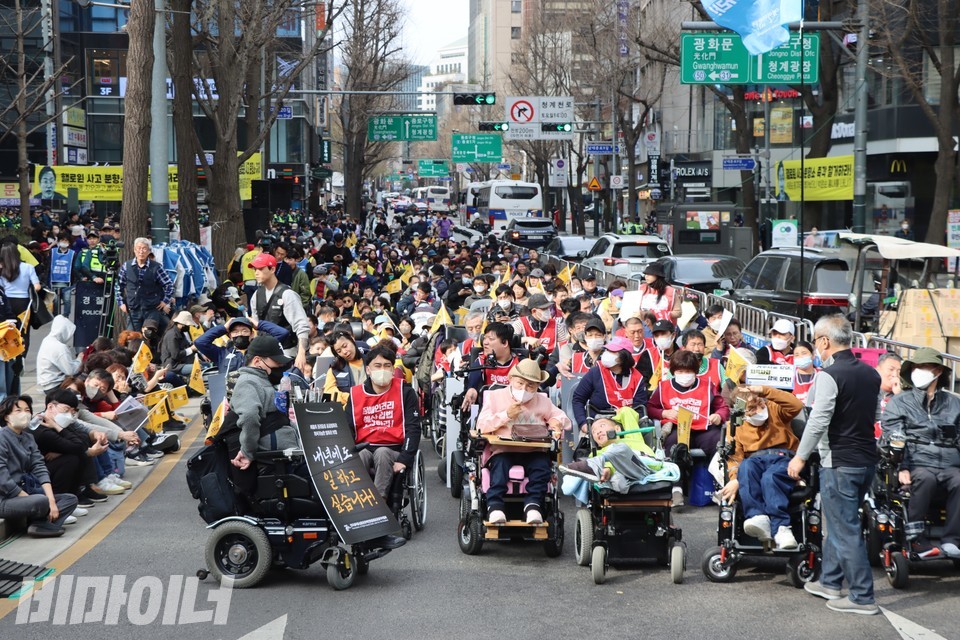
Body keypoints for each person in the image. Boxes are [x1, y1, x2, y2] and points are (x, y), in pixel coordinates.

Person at [788, 314, 880, 615]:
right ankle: (829, 581)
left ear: (825, 341)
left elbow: (817, 421)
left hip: (839, 460)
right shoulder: (871, 374)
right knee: (841, 524)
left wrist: (800, 456)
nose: (816, 347)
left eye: (816, 341)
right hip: (866, 459)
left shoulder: (828, 375)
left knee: (845, 530)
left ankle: (862, 597)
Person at [880, 348, 960, 559]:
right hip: (917, 462)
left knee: (959, 480)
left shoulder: (954, 403)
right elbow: (893, 436)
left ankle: (953, 540)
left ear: (938, 372)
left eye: (925, 367)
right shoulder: (900, 402)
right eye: (916, 367)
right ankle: (916, 538)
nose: (919, 371)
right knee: (925, 478)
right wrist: (902, 466)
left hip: (950, 464)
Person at [476, 360, 570, 524]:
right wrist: (506, 415)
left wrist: (556, 422)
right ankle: (495, 507)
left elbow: (563, 418)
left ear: (537, 386)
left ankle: (533, 506)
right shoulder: (495, 397)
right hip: (504, 449)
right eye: (520, 383)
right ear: (511, 378)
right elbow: (481, 425)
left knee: (542, 467)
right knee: (499, 467)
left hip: (533, 450)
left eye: (531, 386)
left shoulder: (543, 401)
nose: (524, 390)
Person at [720, 385, 804, 550]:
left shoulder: (774, 409)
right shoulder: (736, 423)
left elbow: (797, 405)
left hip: (782, 456)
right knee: (746, 467)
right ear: (742, 411)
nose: (757, 410)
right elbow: (734, 457)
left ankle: (781, 527)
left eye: (758, 403)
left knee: (770, 477)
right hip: (754, 460)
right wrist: (735, 479)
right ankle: (758, 517)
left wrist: (765, 391)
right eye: (751, 408)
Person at [648, 349, 729, 506]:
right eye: (680, 371)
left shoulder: (707, 385)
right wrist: (664, 412)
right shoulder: (664, 386)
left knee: (718, 442)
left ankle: (720, 487)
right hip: (678, 429)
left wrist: (719, 415)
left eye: (688, 371)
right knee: (672, 444)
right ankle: (676, 489)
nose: (684, 375)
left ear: (695, 371)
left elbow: (723, 407)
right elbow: (650, 407)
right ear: (674, 372)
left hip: (702, 430)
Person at [346, 344, 421, 501]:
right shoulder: (355, 394)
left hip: (394, 450)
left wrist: (405, 459)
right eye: (377, 365)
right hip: (365, 447)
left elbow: (413, 428)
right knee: (362, 456)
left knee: (382, 453)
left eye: (387, 366)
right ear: (368, 369)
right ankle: (359, 501)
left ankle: (379, 501)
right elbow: (348, 428)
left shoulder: (405, 392)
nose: (383, 369)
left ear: (393, 370)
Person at [0, 396, 78, 537]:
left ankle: (38, 525)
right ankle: (43, 523)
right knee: (41, 501)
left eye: (27, 410)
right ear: (6, 416)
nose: (24, 414)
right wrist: (28, 498)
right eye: (18, 411)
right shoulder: (2, 438)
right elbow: (2, 478)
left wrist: (52, 501)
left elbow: (39, 466)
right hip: (5, 498)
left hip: (26, 492)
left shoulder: (28, 438)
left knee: (69, 499)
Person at [560, 414, 680, 493]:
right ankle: (595, 468)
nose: (598, 431)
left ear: (617, 429)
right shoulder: (598, 452)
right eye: (594, 431)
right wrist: (609, 470)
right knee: (617, 479)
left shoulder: (633, 437)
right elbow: (567, 491)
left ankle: (593, 467)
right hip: (622, 479)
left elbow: (627, 412)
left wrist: (614, 414)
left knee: (619, 448)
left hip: (642, 466)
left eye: (602, 426)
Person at [571, 337, 648, 435]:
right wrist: (583, 423)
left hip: (627, 426)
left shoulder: (637, 378)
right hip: (599, 422)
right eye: (607, 350)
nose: (606, 353)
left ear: (623, 357)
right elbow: (578, 399)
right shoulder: (596, 372)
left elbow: (640, 409)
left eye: (612, 351)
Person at [248, 252, 309, 372]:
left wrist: (301, 353)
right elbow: (256, 326)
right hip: (263, 356)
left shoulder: (287, 294)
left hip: (285, 352)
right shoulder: (256, 295)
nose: (256, 273)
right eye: (255, 269)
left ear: (272, 269)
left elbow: (301, 325)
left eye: (260, 269)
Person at [115, 238, 174, 333]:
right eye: (138, 248)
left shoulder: (156, 267)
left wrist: (165, 301)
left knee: (150, 335)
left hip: (151, 309)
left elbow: (169, 285)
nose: (141, 251)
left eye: (144, 248)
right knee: (132, 338)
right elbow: (118, 286)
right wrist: (121, 303)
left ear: (149, 251)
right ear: (134, 250)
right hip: (133, 309)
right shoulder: (127, 266)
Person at [460, 322, 521, 411]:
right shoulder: (481, 360)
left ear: (504, 343)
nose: (485, 342)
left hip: (516, 409)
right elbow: (473, 382)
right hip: (488, 410)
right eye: (484, 338)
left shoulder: (520, 363)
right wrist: (472, 389)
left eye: (491, 339)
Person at [36, 315, 83, 395]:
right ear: (64, 332)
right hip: (55, 385)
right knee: (81, 382)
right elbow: (71, 371)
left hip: (47, 383)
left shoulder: (47, 340)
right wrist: (79, 359)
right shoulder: (59, 347)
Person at [324, 330, 367, 405]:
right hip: (347, 410)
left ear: (352, 339)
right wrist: (349, 398)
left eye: (345, 346)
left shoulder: (372, 361)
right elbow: (328, 392)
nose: (344, 352)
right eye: (339, 351)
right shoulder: (334, 369)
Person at [160, 310, 201, 379]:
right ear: (182, 324)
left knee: (205, 366)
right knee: (198, 368)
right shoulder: (172, 335)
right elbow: (175, 355)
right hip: (173, 366)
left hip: (182, 362)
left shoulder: (180, 333)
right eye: (187, 325)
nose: (189, 327)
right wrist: (191, 349)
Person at [874, 352, 902, 437]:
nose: (895, 375)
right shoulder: (868, 390)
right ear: (878, 369)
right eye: (891, 369)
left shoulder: (904, 395)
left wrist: (899, 396)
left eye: (899, 371)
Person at [48, 233, 76, 316]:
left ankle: (65, 316)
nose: (64, 242)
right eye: (62, 240)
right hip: (53, 281)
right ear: (59, 241)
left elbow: (74, 268)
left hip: (67, 282)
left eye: (66, 240)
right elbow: (48, 266)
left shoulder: (72, 253)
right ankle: (56, 317)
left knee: (67, 300)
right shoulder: (52, 252)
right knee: (55, 301)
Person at [792, 340, 818, 405]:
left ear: (813, 355)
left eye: (804, 353)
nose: (800, 357)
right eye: (797, 355)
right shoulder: (790, 376)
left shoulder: (822, 374)